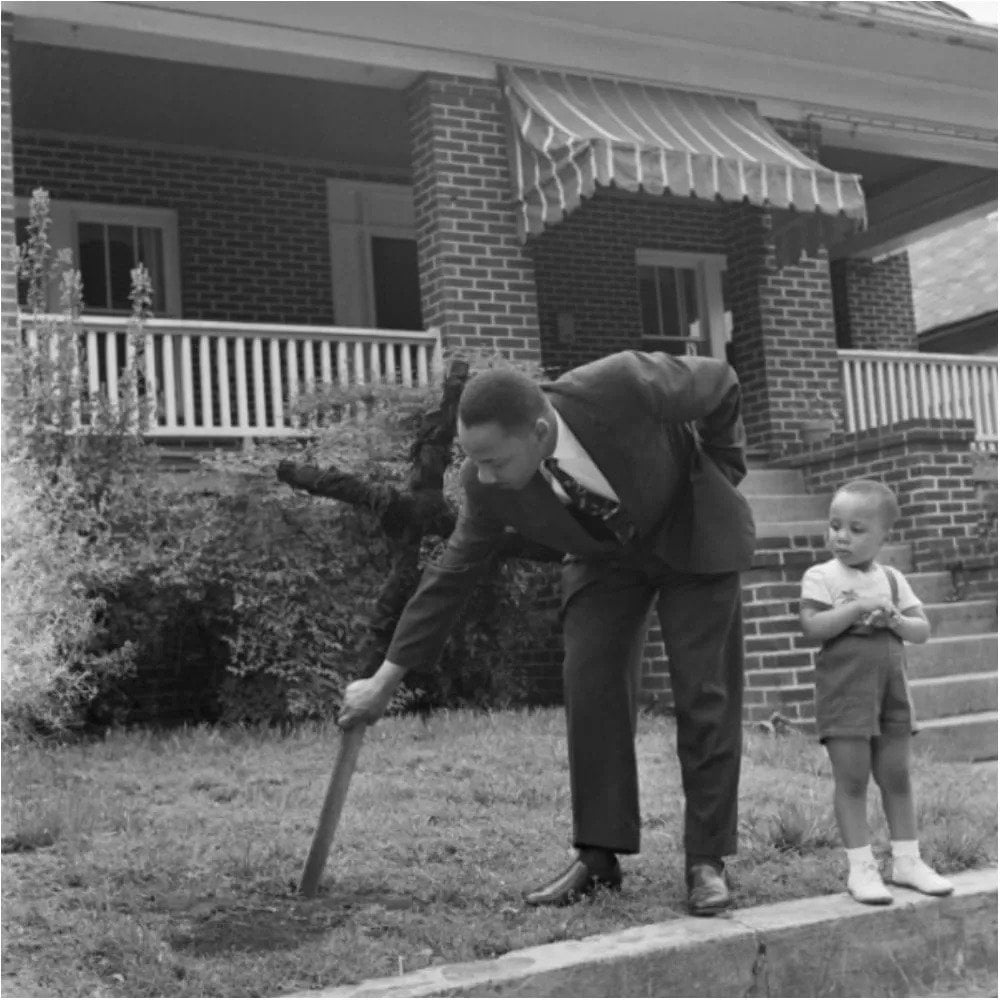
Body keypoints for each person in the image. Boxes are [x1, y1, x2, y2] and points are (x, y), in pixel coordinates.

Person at [338, 351, 756, 915]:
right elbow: (451, 574)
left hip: (690, 527)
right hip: (605, 557)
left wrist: (724, 466)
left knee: (704, 692)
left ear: (539, 432)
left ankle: (706, 859)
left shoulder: (620, 385)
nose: (481, 476)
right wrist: (385, 680)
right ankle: (599, 856)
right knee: (591, 685)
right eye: (474, 460)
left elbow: (720, 381)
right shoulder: (486, 484)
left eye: (492, 460)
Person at [799, 478, 954, 905]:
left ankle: (907, 861)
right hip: (845, 692)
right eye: (835, 525)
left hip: (891, 691)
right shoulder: (822, 576)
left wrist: (895, 622)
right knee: (852, 778)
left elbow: (921, 629)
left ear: (885, 535)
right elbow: (812, 626)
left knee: (897, 775)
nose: (841, 536)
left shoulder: (891, 577)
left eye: (856, 528)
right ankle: (862, 868)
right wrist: (855, 608)